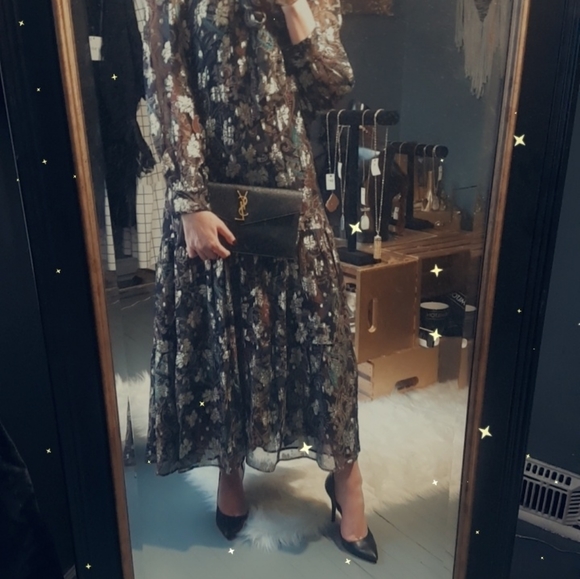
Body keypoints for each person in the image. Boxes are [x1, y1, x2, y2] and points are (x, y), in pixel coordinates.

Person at [143, 0, 378, 563]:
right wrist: (190, 201)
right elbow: (168, 85)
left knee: (324, 348)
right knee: (224, 343)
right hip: (212, 200)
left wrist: (294, 5)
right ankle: (230, 471)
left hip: (290, 200)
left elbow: (330, 89)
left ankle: (347, 480)